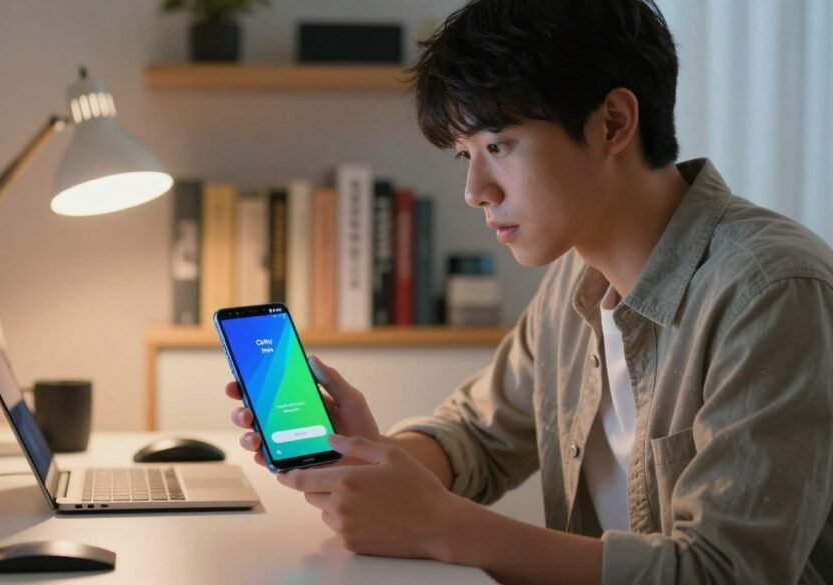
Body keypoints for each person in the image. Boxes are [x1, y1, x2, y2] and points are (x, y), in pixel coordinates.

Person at [224, 0, 833, 582]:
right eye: (465, 155)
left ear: (613, 124)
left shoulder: (772, 290)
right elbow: (478, 436)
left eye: (497, 145)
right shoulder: (574, 280)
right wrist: (372, 455)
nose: (475, 190)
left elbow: (725, 573)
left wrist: (444, 528)